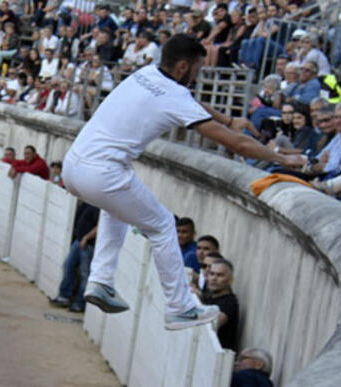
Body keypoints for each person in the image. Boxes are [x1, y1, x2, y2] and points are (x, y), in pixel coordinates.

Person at [61, 34, 303, 330]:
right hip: (102, 172)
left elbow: (190, 102)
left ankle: (100, 280)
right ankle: (180, 308)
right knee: (163, 224)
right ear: (183, 67)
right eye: (197, 70)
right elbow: (238, 145)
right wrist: (283, 159)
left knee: (119, 209)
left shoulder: (146, 73)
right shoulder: (174, 96)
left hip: (73, 165)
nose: (197, 76)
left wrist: (227, 120)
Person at [51, 202, 99, 312]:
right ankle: (65, 297)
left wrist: (86, 238)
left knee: (84, 274)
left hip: (87, 244)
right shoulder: (88, 203)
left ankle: (79, 303)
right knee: (68, 266)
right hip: (79, 241)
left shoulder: (98, 205)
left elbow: (99, 227)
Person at [202, 259, 239, 350]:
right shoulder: (208, 297)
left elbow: (212, 324)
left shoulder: (230, 302)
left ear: (230, 280)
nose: (214, 278)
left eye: (220, 275)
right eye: (212, 274)